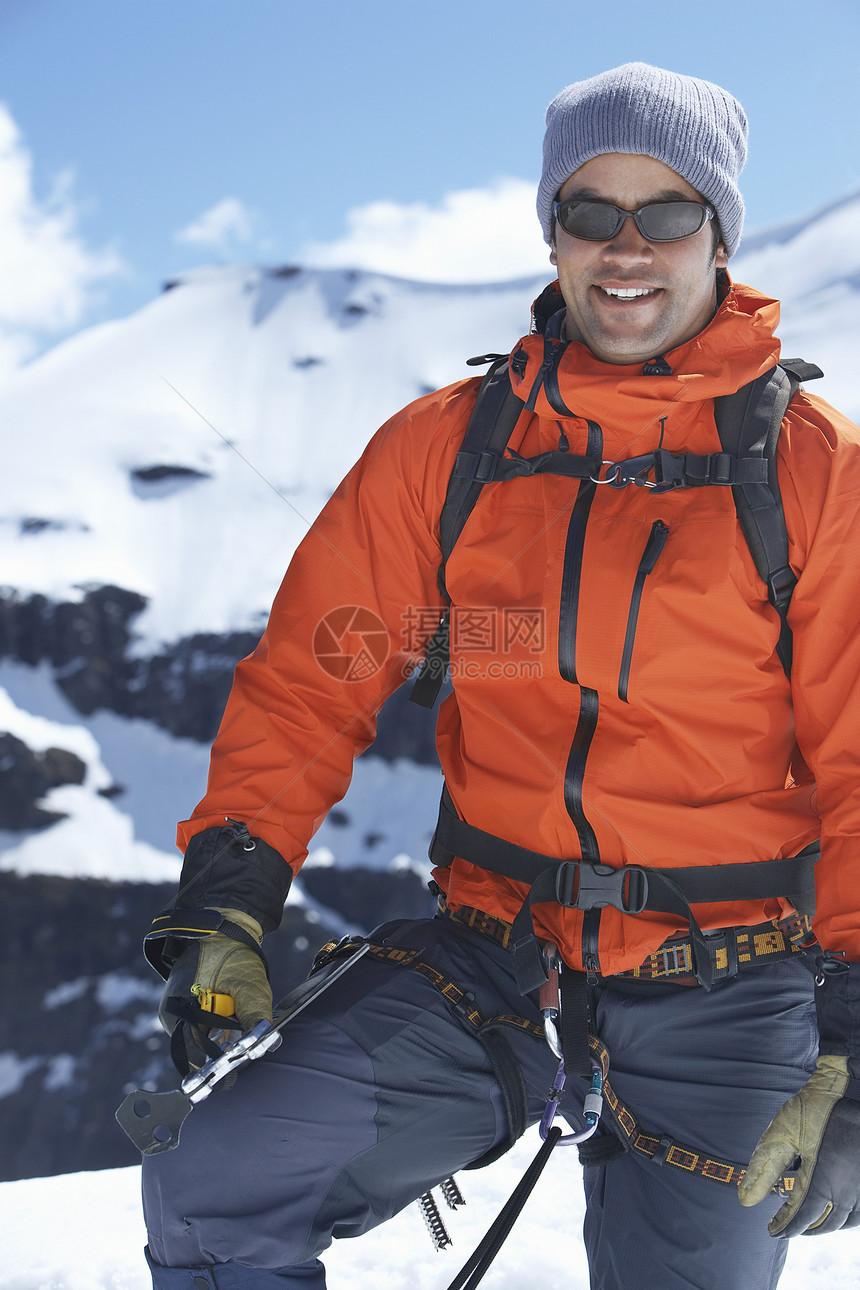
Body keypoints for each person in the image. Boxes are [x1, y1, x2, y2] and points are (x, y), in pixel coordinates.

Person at [139, 63, 860, 1290]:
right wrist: (229, 899)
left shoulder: (810, 474)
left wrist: (849, 1057)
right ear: (551, 230)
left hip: (731, 979)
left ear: (719, 233)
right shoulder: (449, 449)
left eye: (666, 213)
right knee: (215, 1186)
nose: (624, 249)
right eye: (590, 211)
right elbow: (316, 680)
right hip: (494, 961)